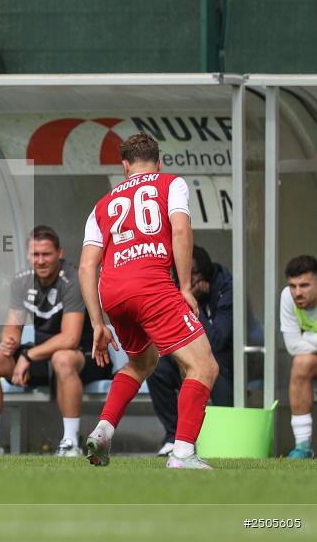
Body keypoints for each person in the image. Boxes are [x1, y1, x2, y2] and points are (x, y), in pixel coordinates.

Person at [78, 131, 220, 470]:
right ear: (159, 162)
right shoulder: (171, 183)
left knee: (143, 362)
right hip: (151, 285)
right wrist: (184, 287)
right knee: (204, 367)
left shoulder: (101, 205)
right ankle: (182, 454)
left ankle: (103, 430)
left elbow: (86, 266)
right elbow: (181, 230)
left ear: (125, 167)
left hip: (114, 293)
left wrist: (98, 324)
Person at [0, 225, 108, 457]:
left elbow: (70, 338)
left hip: (86, 355)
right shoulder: (22, 281)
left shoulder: (73, 280)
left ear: (60, 253)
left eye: (46, 254)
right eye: (35, 254)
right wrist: (10, 341)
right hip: (43, 355)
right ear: (28, 256)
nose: (40, 260)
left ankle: (71, 442)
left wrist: (28, 356)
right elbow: (13, 327)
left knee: (62, 358)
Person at [147, 245, 234, 456]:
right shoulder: (175, 288)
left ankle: (221, 437)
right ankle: (173, 435)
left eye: (194, 273)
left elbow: (217, 340)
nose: (190, 279)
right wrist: (185, 301)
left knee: (210, 364)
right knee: (156, 367)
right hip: (186, 360)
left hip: (224, 364)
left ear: (206, 271)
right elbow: (165, 333)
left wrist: (194, 306)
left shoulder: (225, 288)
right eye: (183, 274)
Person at [280, 254, 317, 459]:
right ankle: (303, 447)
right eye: (293, 286)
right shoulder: (288, 297)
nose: (297, 293)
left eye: (304, 285)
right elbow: (293, 346)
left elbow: (299, 341)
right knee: (301, 362)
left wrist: (307, 337)